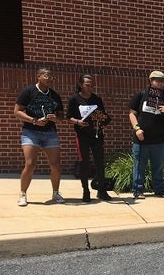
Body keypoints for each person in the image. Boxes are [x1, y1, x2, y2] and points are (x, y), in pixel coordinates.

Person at [14, 67, 65, 207]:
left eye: (52, 77)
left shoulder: (54, 95)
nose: (50, 79)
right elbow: (17, 111)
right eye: (47, 76)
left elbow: (61, 116)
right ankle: (23, 194)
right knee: (30, 164)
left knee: (55, 165)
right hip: (30, 132)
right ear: (39, 76)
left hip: (50, 133)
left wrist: (56, 118)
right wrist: (34, 120)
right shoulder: (29, 92)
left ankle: (55, 193)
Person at [128, 71, 164, 199]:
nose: (160, 83)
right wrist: (137, 129)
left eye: (162, 81)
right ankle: (138, 190)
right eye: (157, 80)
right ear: (150, 81)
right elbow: (132, 114)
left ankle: (159, 190)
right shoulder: (141, 95)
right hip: (141, 139)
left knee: (158, 167)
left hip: (160, 140)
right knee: (139, 166)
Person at [66, 74, 112, 202]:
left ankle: (102, 191)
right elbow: (68, 116)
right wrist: (77, 122)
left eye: (91, 84)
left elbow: (102, 115)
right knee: (84, 164)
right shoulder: (74, 99)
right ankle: (86, 191)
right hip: (82, 136)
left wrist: (102, 119)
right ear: (81, 85)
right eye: (87, 84)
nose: (90, 86)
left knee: (100, 163)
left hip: (97, 135)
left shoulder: (97, 99)